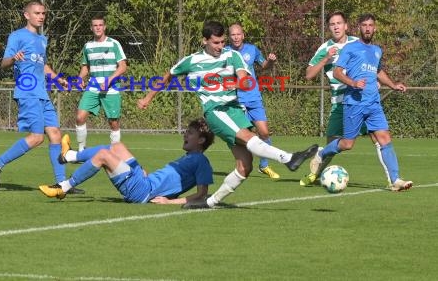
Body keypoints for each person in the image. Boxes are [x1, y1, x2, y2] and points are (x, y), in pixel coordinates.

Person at [137, 20, 318, 209]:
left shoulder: (232, 55)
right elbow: (169, 75)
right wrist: (148, 98)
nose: (220, 46)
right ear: (204, 41)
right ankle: (288, 158)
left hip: (235, 109)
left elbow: (243, 77)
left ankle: (209, 202)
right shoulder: (192, 60)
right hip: (215, 111)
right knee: (250, 137)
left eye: (223, 42)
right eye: (216, 42)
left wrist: (240, 82)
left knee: (244, 167)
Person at [0, 1, 84, 195]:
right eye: (37, 13)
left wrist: (58, 80)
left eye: (43, 13)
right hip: (28, 91)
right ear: (26, 15)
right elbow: (4, 63)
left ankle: (61, 184)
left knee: (55, 134)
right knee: (37, 138)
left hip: (42, 93)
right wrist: (14, 58)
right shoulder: (17, 36)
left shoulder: (42, 40)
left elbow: (43, 66)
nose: (41, 16)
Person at [311, 13, 413, 191]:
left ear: (375, 28)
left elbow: (378, 72)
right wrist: (353, 83)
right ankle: (322, 153)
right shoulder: (350, 48)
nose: (367, 28)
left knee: (385, 138)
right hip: (354, 103)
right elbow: (337, 72)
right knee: (347, 144)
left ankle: (395, 180)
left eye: (370, 25)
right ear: (359, 27)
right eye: (364, 25)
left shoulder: (376, 50)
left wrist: (393, 85)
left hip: (373, 104)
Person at [300, 11, 387, 186]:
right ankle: (316, 175)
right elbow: (309, 75)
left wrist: (375, 82)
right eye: (332, 24)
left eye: (339, 23)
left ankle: (392, 179)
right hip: (339, 104)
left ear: (346, 25)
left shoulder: (357, 42)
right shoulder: (325, 48)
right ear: (329, 28)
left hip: (361, 100)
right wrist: (325, 59)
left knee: (378, 138)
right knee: (333, 145)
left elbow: (372, 66)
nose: (336, 26)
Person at [39, 118, 214, 205]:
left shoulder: (202, 162)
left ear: (200, 141)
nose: (185, 134)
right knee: (116, 146)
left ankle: (63, 187)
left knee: (102, 155)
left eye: (190, 133)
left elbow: (201, 195)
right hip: (145, 181)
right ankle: (69, 155)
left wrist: (169, 202)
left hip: (143, 192)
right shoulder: (191, 157)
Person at [227, 22, 280, 180]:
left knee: (264, 132)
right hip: (236, 99)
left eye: (238, 34)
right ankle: (243, 165)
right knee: (243, 136)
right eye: (233, 35)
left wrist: (270, 61)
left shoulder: (252, 49)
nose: (236, 37)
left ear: (243, 35)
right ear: (229, 37)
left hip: (254, 97)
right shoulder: (225, 52)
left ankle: (264, 166)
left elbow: (264, 66)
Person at [75, 16, 127, 151]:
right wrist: (80, 78)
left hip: (111, 88)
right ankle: (81, 150)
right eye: (95, 25)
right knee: (80, 117)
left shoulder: (114, 44)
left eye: (100, 25)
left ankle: (115, 151)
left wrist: (109, 80)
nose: (98, 27)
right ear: (91, 28)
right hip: (92, 87)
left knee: (113, 122)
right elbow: (85, 67)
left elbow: (122, 66)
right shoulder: (88, 46)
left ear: (104, 27)